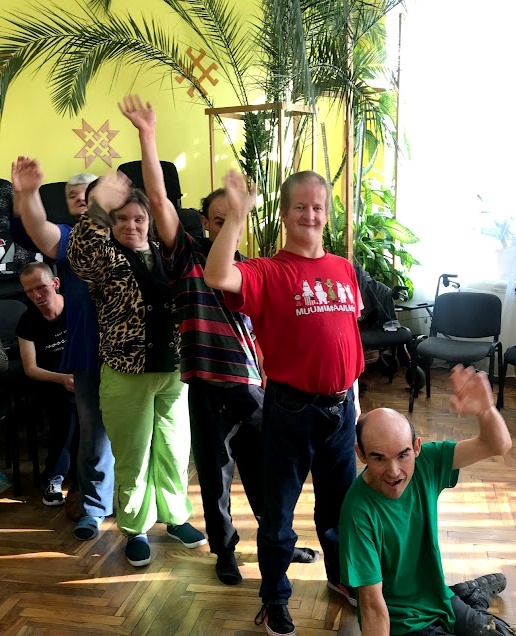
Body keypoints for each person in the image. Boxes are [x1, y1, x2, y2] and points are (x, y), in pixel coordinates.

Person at [118, 94, 319, 586]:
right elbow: (159, 201)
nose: (227, 224)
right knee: (216, 479)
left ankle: (278, 543)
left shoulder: (254, 269)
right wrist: (148, 135)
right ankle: (224, 552)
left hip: (252, 388)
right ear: (205, 223)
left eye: (236, 216)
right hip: (208, 389)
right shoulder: (186, 256)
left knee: (268, 475)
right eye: (218, 218)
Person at [204, 168, 364, 636]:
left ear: (327, 214)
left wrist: (355, 400)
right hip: (291, 410)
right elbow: (217, 274)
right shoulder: (268, 271)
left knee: (339, 509)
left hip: (341, 409)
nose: (310, 215)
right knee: (278, 515)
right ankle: (274, 598)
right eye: (300, 207)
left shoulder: (343, 268)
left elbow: (347, 337)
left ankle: (339, 576)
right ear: (284, 213)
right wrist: (237, 214)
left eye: (318, 207)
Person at [66, 171, 206, 567]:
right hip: (126, 373)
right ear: (111, 222)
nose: (131, 225)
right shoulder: (105, 258)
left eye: (139, 218)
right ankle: (136, 527)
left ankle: (176, 517)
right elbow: (81, 253)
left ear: (150, 221)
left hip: (173, 372)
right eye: (122, 218)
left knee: (175, 450)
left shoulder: (168, 254)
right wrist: (99, 207)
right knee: (133, 457)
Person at [339, 364, 515, 636]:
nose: (394, 471)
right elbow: (372, 606)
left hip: (436, 597)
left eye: (403, 455)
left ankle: (465, 596)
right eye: (378, 458)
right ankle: (470, 598)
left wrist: (486, 410)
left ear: (417, 447)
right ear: (360, 454)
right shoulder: (357, 511)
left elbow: (497, 445)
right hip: (400, 623)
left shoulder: (427, 462)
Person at [11, 161, 114, 539]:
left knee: (137, 435)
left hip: (130, 353)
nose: (80, 200)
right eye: (73, 196)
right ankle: (94, 505)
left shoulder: (127, 232)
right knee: (92, 436)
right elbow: (36, 229)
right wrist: (27, 192)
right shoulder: (70, 239)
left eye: (88, 195)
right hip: (87, 356)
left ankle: (139, 506)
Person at [16, 261, 79, 508]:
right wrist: (62, 379)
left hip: (83, 377)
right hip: (51, 382)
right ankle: (56, 477)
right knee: (68, 409)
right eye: (29, 291)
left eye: (41, 287)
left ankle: (79, 477)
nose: (36, 295)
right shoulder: (27, 321)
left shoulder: (76, 308)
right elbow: (30, 369)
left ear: (55, 283)